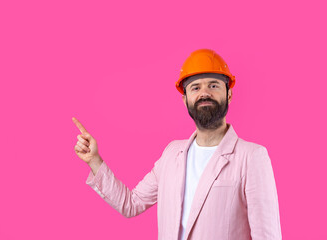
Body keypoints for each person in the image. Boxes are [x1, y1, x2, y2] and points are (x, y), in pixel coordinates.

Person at [72, 49, 282, 240]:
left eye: (214, 85)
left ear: (229, 94)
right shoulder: (172, 154)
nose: (204, 93)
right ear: (186, 99)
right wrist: (95, 161)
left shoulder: (252, 157)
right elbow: (131, 203)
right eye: (195, 87)